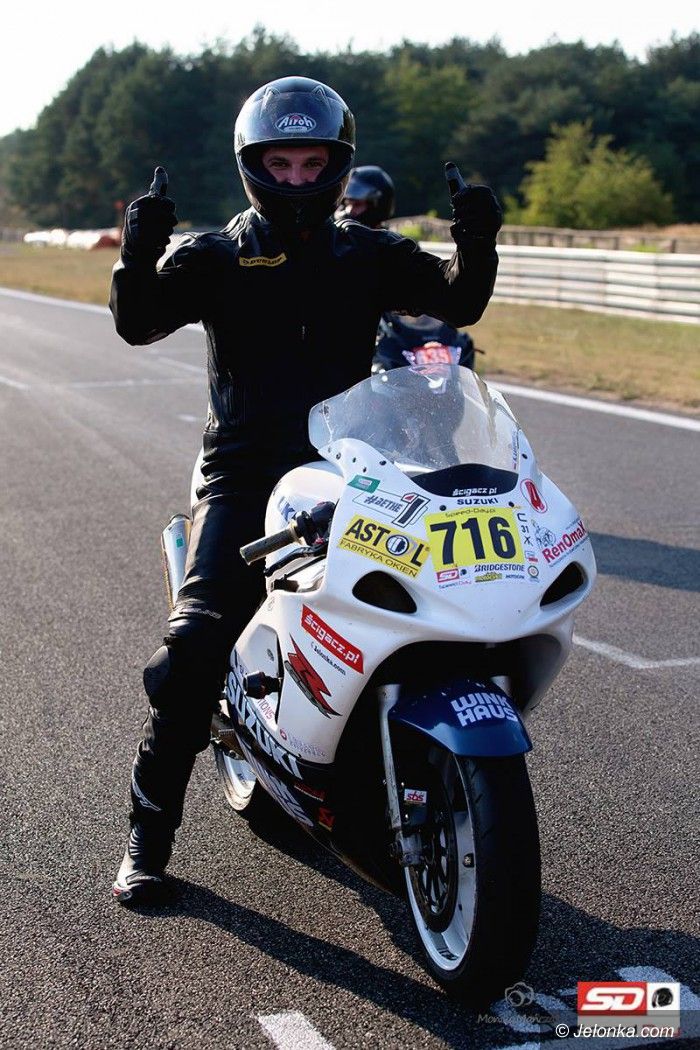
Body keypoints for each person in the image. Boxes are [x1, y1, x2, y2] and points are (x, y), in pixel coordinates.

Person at [109, 75, 502, 904]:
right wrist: (137, 253)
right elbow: (138, 322)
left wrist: (478, 239)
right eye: (281, 163)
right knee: (194, 648)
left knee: (418, 602)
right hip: (242, 469)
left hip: (351, 466)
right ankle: (147, 837)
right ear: (254, 166)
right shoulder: (215, 254)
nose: (296, 178)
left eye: (311, 163)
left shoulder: (369, 252)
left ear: (337, 164)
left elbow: (458, 303)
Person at [337, 165, 477, 372]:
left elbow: (431, 291)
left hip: (394, 331)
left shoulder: (396, 245)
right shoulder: (338, 243)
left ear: (376, 203)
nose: (350, 211)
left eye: (356, 204)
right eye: (348, 204)